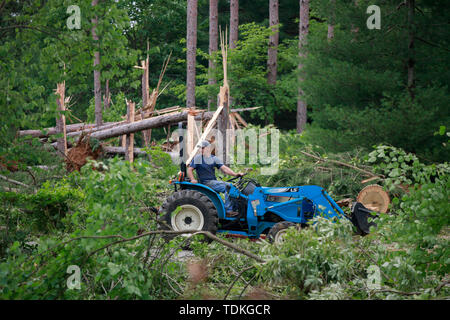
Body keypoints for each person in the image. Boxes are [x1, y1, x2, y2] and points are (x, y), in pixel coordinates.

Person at [187, 140, 243, 217]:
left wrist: (235, 174)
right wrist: (192, 179)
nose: (201, 150)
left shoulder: (214, 158)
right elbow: (190, 169)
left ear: (208, 148)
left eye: (202, 148)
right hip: (205, 182)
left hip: (213, 181)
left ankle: (236, 208)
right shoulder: (198, 158)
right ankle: (228, 211)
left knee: (236, 187)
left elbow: (224, 168)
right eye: (200, 148)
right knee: (229, 187)